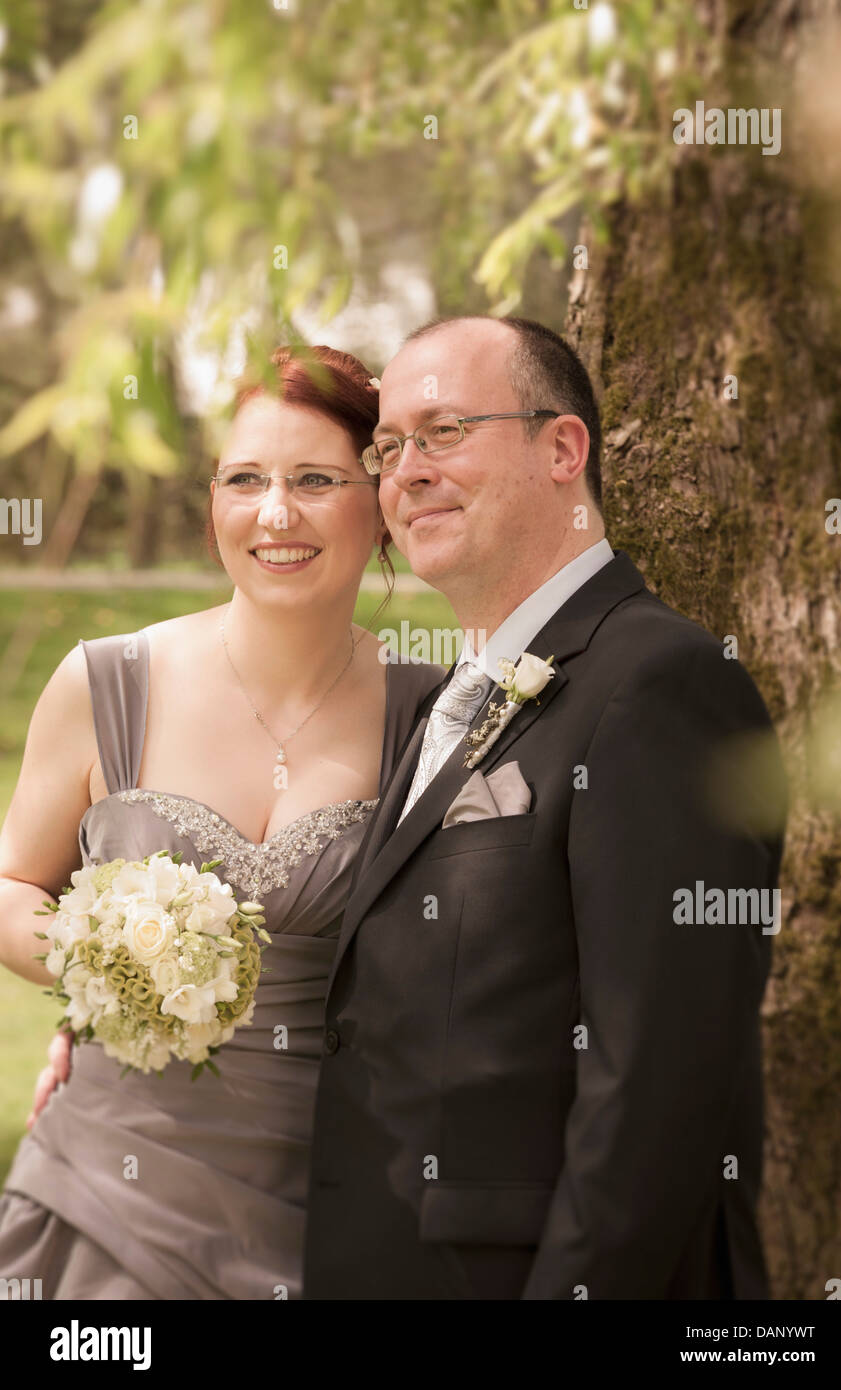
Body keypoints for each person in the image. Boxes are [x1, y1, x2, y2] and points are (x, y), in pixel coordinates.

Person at [301, 314, 787, 1299]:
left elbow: (658, 1096)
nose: (405, 473)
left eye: (443, 432)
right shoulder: (451, 694)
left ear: (563, 447)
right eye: (388, 449)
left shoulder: (662, 686)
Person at [0, 345, 445, 1299]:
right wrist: (106, 962)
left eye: (316, 480)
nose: (274, 513)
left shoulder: (432, 713)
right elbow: (11, 886)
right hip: (111, 1195)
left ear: (380, 504)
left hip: (337, 1205)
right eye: (244, 479)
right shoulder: (107, 682)